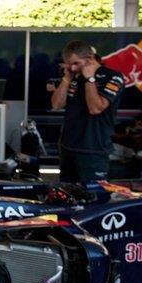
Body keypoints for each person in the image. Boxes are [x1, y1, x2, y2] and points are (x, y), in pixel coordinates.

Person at [51, 40, 125, 182]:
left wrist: (90, 79)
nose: (72, 68)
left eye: (76, 63)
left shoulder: (113, 76)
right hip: (68, 147)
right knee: (67, 195)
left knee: (94, 198)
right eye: (68, 64)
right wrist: (66, 79)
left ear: (90, 58)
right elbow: (56, 104)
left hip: (94, 149)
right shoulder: (73, 76)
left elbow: (95, 108)